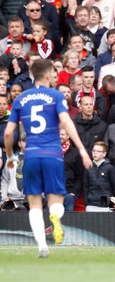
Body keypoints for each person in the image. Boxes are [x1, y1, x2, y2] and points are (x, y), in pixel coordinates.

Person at [4, 59, 93, 258]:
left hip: (32, 155)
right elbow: (66, 121)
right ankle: (54, 217)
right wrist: (81, 149)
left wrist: (10, 155)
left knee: (34, 203)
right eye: (53, 73)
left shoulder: (20, 99)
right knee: (56, 200)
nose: (54, 76)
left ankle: (42, 246)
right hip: (53, 154)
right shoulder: (55, 95)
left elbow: (9, 133)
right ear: (46, 75)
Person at [82, 141, 115, 211]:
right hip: (91, 204)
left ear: (104, 154)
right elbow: (85, 187)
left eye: (98, 151)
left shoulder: (110, 168)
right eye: (94, 151)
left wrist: (114, 202)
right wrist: (86, 203)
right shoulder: (88, 168)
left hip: (106, 205)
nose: (95, 153)